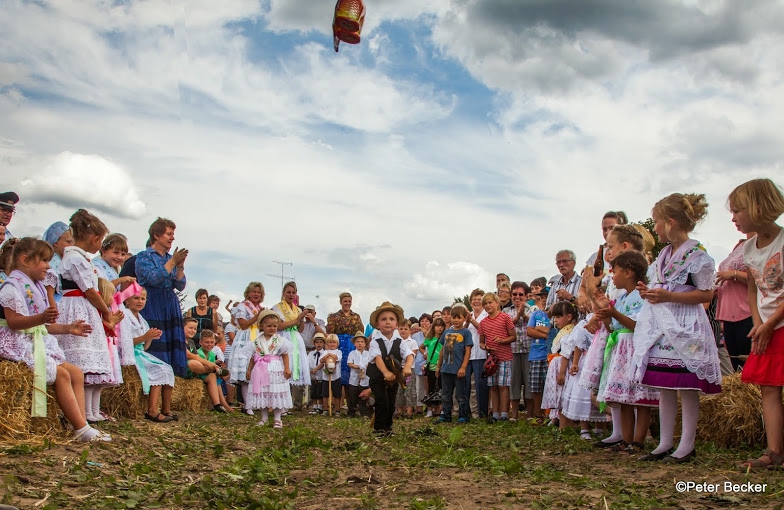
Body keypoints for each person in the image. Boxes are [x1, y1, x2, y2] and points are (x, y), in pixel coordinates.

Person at [632, 193, 720, 463]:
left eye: (657, 222)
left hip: (686, 324)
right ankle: (666, 441)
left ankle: (687, 444)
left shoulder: (698, 256)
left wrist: (670, 297)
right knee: (666, 385)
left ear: (670, 223)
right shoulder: (664, 256)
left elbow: (706, 295)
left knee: (687, 385)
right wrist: (651, 292)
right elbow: (666, 287)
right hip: (664, 325)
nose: (654, 228)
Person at [0, 237, 110, 441]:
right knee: (61, 375)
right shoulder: (11, 288)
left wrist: (69, 328)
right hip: (16, 343)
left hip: (34, 339)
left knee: (76, 372)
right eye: (43, 261)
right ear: (25, 260)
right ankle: (81, 429)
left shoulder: (35, 287)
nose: (48, 266)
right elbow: (14, 322)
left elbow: (45, 326)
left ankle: (76, 419)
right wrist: (41, 318)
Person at [732, 179, 784, 470]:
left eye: (738, 210)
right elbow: (753, 290)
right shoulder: (748, 248)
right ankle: (774, 452)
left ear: (758, 207)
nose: (733, 217)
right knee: (768, 387)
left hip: (780, 323)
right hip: (766, 327)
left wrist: (771, 322)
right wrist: (758, 324)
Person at [56, 209, 121, 424]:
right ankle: (79, 412)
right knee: (82, 362)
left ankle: (91, 411)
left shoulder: (81, 258)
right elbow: (90, 290)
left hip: (85, 307)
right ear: (95, 239)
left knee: (93, 364)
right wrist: (105, 310)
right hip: (77, 307)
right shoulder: (75, 259)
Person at [594, 251, 658, 453]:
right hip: (621, 349)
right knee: (625, 398)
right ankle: (626, 439)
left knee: (640, 398)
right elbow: (613, 326)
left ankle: (638, 440)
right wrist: (605, 314)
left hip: (634, 347)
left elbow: (636, 325)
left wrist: (614, 313)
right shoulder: (622, 297)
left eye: (616, 271)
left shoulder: (641, 295)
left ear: (628, 272)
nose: (613, 277)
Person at [135, 218, 189, 377]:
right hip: (153, 302)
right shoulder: (144, 257)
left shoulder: (169, 258)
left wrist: (179, 267)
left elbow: (180, 285)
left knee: (172, 344)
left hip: (170, 303)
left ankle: (172, 378)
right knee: (157, 342)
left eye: (173, 234)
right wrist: (173, 261)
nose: (172, 238)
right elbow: (153, 278)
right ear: (157, 235)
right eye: (169, 234)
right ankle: (155, 378)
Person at [122, 287, 176, 423]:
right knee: (159, 369)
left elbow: (145, 347)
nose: (140, 301)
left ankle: (166, 409)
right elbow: (124, 342)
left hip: (140, 351)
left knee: (168, 368)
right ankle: (152, 410)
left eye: (142, 298)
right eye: (136, 298)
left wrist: (150, 338)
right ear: (127, 300)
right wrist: (145, 336)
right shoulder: (124, 316)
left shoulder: (142, 320)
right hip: (129, 353)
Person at [366, 301, 414, 437]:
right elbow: (378, 358)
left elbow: (409, 355)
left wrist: (407, 367)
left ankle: (388, 427)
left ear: (397, 324)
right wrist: (385, 372)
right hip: (378, 377)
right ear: (377, 324)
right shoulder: (375, 341)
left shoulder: (400, 342)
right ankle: (379, 428)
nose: (388, 322)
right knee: (382, 401)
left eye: (391, 319)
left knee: (391, 403)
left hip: (393, 379)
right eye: (384, 319)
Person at [245, 310, 292, 428]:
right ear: (262, 326)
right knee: (263, 392)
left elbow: (285, 354)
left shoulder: (280, 340)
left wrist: (287, 368)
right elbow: (252, 357)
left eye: (275, 326)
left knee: (275, 391)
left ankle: (277, 418)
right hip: (260, 369)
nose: (272, 328)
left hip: (275, 368)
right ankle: (264, 418)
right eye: (269, 326)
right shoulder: (256, 341)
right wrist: (249, 370)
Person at [716, 230, 754, 371]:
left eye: (737, 211)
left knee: (748, 364)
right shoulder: (740, 245)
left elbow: (764, 279)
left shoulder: (760, 244)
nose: (733, 218)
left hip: (748, 312)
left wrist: (734, 274)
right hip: (729, 313)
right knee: (736, 366)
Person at [227, 282, 265, 414]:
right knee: (245, 372)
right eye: (253, 291)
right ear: (248, 293)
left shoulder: (259, 307)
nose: (256, 294)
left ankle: (254, 403)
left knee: (257, 371)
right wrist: (257, 316)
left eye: (258, 292)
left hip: (257, 336)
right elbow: (243, 324)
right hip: (246, 337)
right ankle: (247, 405)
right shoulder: (242, 306)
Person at [478, 292, 516, 423]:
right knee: (493, 386)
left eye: (490, 302)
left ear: (496, 303)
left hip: (505, 356)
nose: (488, 305)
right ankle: (495, 413)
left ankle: (504, 413)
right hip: (492, 359)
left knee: (503, 385)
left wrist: (502, 340)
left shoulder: (505, 318)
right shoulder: (483, 323)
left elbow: (513, 336)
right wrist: (486, 347)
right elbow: (481, 342)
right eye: (485, 304)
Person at [272, 282, 311, 406]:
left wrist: (301, 320)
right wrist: (297, 320)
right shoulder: (277, 308)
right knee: (283, 367)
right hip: (283, 336)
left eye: (293, 292)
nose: (291, 294)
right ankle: (280, 402)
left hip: (295, 337)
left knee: (295, 367)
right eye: (288, 292)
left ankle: (295, 402)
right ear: (283, 293)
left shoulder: (297, 309)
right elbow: (278, 326)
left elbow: (300, 329)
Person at [183, 317, 232, 413]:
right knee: (194, 363)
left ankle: (217, 404)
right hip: (184, 369)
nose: (193, 330)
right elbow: (189, 355)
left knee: (212, 376)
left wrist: (209, 364)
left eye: (195, 329)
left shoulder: (191, 342)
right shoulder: (179, 341)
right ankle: (215, 370)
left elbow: (197, 357)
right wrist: (211, 365)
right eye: (190, 328)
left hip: (198, 372)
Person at [541, 301, 578, 428]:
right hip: (558, 364)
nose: (555, 320)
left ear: (568, 317)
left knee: (563, 397)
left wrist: (562, 372)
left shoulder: (569, 332)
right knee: (560, 397)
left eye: (558, 317)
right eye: (554, 317)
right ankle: (560, 423)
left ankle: (564, 426)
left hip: (563, 366)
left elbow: (566, 354)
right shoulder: (564, 331)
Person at [434, 304, 473, 423]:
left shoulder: (466, 332)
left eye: (459, 317)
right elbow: (442, 350)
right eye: (454, 317)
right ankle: (446, 415)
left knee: (460, 395)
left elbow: (468, 351)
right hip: (446, 369)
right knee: (446, 394)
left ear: (464, 318)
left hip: (458, 370)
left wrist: (463, 367)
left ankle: (463, 416)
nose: (456, 320)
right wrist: (438, 366)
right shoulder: (447, 332)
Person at [326, 292, 364, 393]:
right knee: (338, 370)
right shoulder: (334, 316)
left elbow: (360, 332)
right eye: (345, 301)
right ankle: (337, 400)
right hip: (339, 345)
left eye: (349, 301)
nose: (347, 303)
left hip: (352, 345)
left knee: (351, 370)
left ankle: (350, 400)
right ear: (341, 302)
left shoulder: (356, 316)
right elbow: (329, 333)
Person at [526, 288, 551, 424]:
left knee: (549, 385)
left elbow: (553, 331)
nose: (545, 299)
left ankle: (548, 415)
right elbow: (529, 331)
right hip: (535, 355)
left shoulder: (554, 315)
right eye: (542, 297)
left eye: (547, 296)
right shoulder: (535, 314)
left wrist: (538, 329)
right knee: (536, 386)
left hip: (549, 354)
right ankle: (538, 414)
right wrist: (546, 333)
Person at [509, 281, 532, 421]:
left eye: (520, 294)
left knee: (529, 383)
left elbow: (535, 323)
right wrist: (518, 316)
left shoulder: (533, 309)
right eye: (514, 294)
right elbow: (507, 324)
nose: (517, 297)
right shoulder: (506, 311)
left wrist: (524, 315)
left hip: (529, 349)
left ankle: (530, 415)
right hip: (512, 350)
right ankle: (515, 415)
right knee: (514, 383)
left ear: (526, 295)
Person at [464, 289, 489, 418]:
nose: (476, 301)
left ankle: (483, 412)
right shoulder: (468, 315)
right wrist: (468, 320)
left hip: (481, 354)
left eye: (479, 299)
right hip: (468, 355)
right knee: (466, 384)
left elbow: (484, 329)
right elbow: (463, 331)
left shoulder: (487, 315)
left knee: (481, 385)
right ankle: (466, 412)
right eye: (474, 299)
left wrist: (472, 321)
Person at [42, 221, 73, 304]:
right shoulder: (52, 263)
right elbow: (49, 293)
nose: (72, 245)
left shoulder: (63, 261)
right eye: (69, 242)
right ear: (56, 243)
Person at [421, 317, 446, 418]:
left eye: (442, 326)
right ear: (433, 327)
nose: (439, 328)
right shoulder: (429, 338)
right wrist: (425, 353)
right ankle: (429, 410)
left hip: (441, 367)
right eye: (437, 326)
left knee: (440, 389)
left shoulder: (444, 339)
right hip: (431, 366)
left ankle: (439, 410)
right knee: (431, 389)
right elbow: (421, 347)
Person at [394, 320, 419, 418]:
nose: (403, 331)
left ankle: (409, 411)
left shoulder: (412, 342)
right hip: (398, 369)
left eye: (405, 329)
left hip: (409, 369)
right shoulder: (396, 341)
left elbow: (412, 355)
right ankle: (399, 410)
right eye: (401, 329)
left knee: (409, 389)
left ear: (410, 330)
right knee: (399, 390)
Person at [347, 332, 371, 417]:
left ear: (365, 344)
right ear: (354, 343)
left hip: (365, 379)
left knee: (363, 397)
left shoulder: (368, 354)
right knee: (352, 397)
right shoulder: (352, 353)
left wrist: (365, 366)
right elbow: (349, 363)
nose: (360, 343)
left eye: (361, 341)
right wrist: (356, 366)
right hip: (354, 379)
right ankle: (351, 413)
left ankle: (364, 413)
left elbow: (370, 363)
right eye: (358, 342)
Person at [318, 333, 343, 416]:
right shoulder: (325, 352)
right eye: (330, 342)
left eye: (334, 342)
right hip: (326, 377)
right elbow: (321, 360)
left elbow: (337, 358)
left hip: (336, 376)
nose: (332, 344)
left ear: (337, 344)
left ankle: (337, 410)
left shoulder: (338, 351)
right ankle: (325, 409)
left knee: (337, 394)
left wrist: (329, 355)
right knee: (325, 394)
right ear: (327, 343)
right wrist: (327, 355)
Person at [308, 333, 326, 414]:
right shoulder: (311, 354)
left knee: (320, 392)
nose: (319, 344)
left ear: (323, 343)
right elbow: (308, 362)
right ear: (314, 343)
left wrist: (316, 369)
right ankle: (314, 406)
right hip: (313, 375)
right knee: (313, 392)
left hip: (321, 375)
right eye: (317, 342)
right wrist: (311, 370)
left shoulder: (325, 353)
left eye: (321, 342)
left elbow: (323, 363)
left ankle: (320, 407)